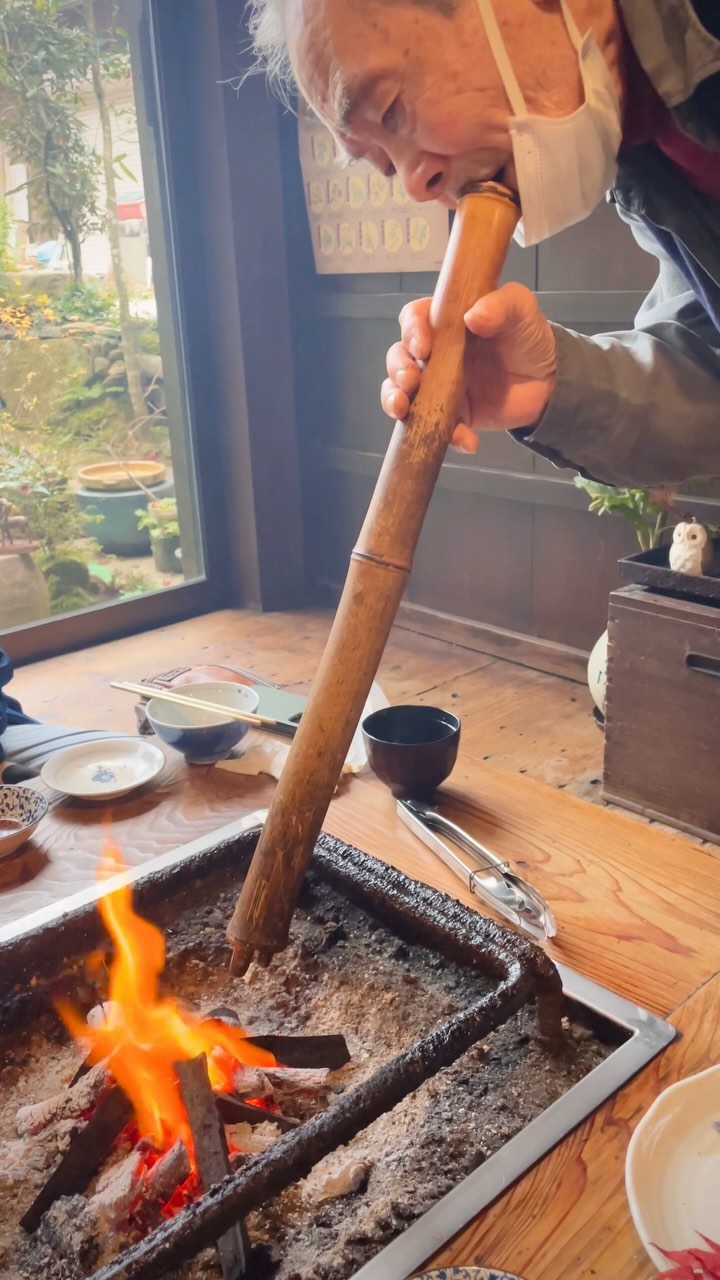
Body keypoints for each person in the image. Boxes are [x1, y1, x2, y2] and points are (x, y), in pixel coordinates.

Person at [248, 0, 720, 488]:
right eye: (386, 164)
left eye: (390, 107)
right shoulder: (642, 148)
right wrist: (554, 383)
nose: (415, 187)